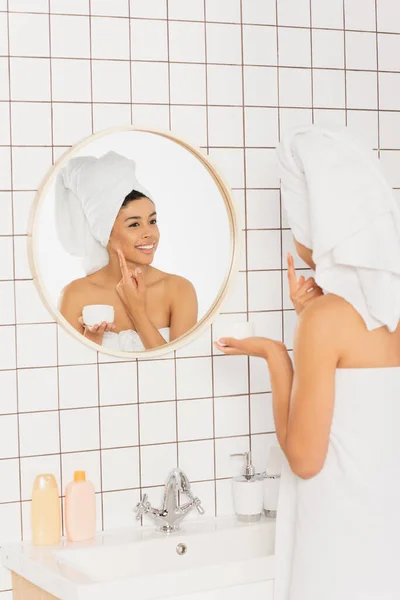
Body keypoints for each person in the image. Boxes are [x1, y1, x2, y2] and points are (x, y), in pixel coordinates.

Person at [215, 125, 400, 599]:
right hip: (387, 545)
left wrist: (279, 355)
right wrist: (311, 319)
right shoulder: (381, 310)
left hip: (339, 549)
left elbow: (304, 459)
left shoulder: (326, 319)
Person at [56, 151, 198, 351]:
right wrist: (92, 339)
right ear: (105, 233)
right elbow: (68, 372)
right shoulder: (75, 295)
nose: (149, 233)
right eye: (134, 225)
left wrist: (137, 311)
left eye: (152, 221)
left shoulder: (179, 290)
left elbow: (179, 369)